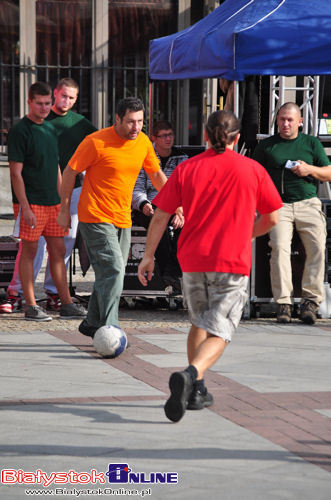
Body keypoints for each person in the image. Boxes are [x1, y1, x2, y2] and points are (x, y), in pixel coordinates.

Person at [138, 110, 282, 422]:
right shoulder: (252, 169)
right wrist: (246, 233)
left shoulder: (187, 169)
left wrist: (148, 256)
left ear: (206, 136)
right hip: (230, 260)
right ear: (237, 138)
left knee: (200, 321)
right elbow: (272, 217)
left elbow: (161, 213)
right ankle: (192, 374)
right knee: (223, 330)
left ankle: (197, 390)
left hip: (192, 258)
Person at [57, 97, 168, 338]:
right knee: (116, 270)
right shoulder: (95, 141)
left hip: (122, 218)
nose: (136, 127)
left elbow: (156, 173)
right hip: (95, 216)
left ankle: (92, 322)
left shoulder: (143, 142)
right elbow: (69, 171)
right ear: (117, 119)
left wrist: (175, 202)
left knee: (108, 273)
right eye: (130, 121)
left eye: (140, 121)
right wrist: (65, 209)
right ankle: (110, 329)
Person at [0, 78, 97, 314]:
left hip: (56, 200)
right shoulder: (20, 130)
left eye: (46, 104)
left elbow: (56, 167)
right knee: (31, 250)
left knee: (60, 249)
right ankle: (27, 301)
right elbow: (15, 173)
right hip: (32, 200)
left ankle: (64, 302)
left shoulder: (52, 128)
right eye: (40, 103)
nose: (44, 107)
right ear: (30, 102)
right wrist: (25, 206)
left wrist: (63, 202)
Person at [253, 102, 331, 325]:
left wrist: (310, 170)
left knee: (317, 246)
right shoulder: (267, 146)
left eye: (289, 120)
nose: (285, 124)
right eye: (281, 119)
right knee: (279, 248)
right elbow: (253, 175)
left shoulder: (311, 143)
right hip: (278, 205)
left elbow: (328, 172)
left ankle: (311, 301)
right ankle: (284, 302)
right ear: (276, 121)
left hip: (308, 203)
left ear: (300, 121)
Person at [132, 120, 188, 293]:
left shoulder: (182, 159)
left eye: (170, 135)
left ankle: (170, 274)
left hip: (176, 207)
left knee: (185, 227)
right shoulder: (145, 158)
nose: (168, 139)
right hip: (149, 206)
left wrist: (181, 210)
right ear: (154, 138)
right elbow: (137, 188)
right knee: (159, 224)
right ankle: (171, 274)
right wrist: (143, 204)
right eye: (163, 136)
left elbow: (186, 190)